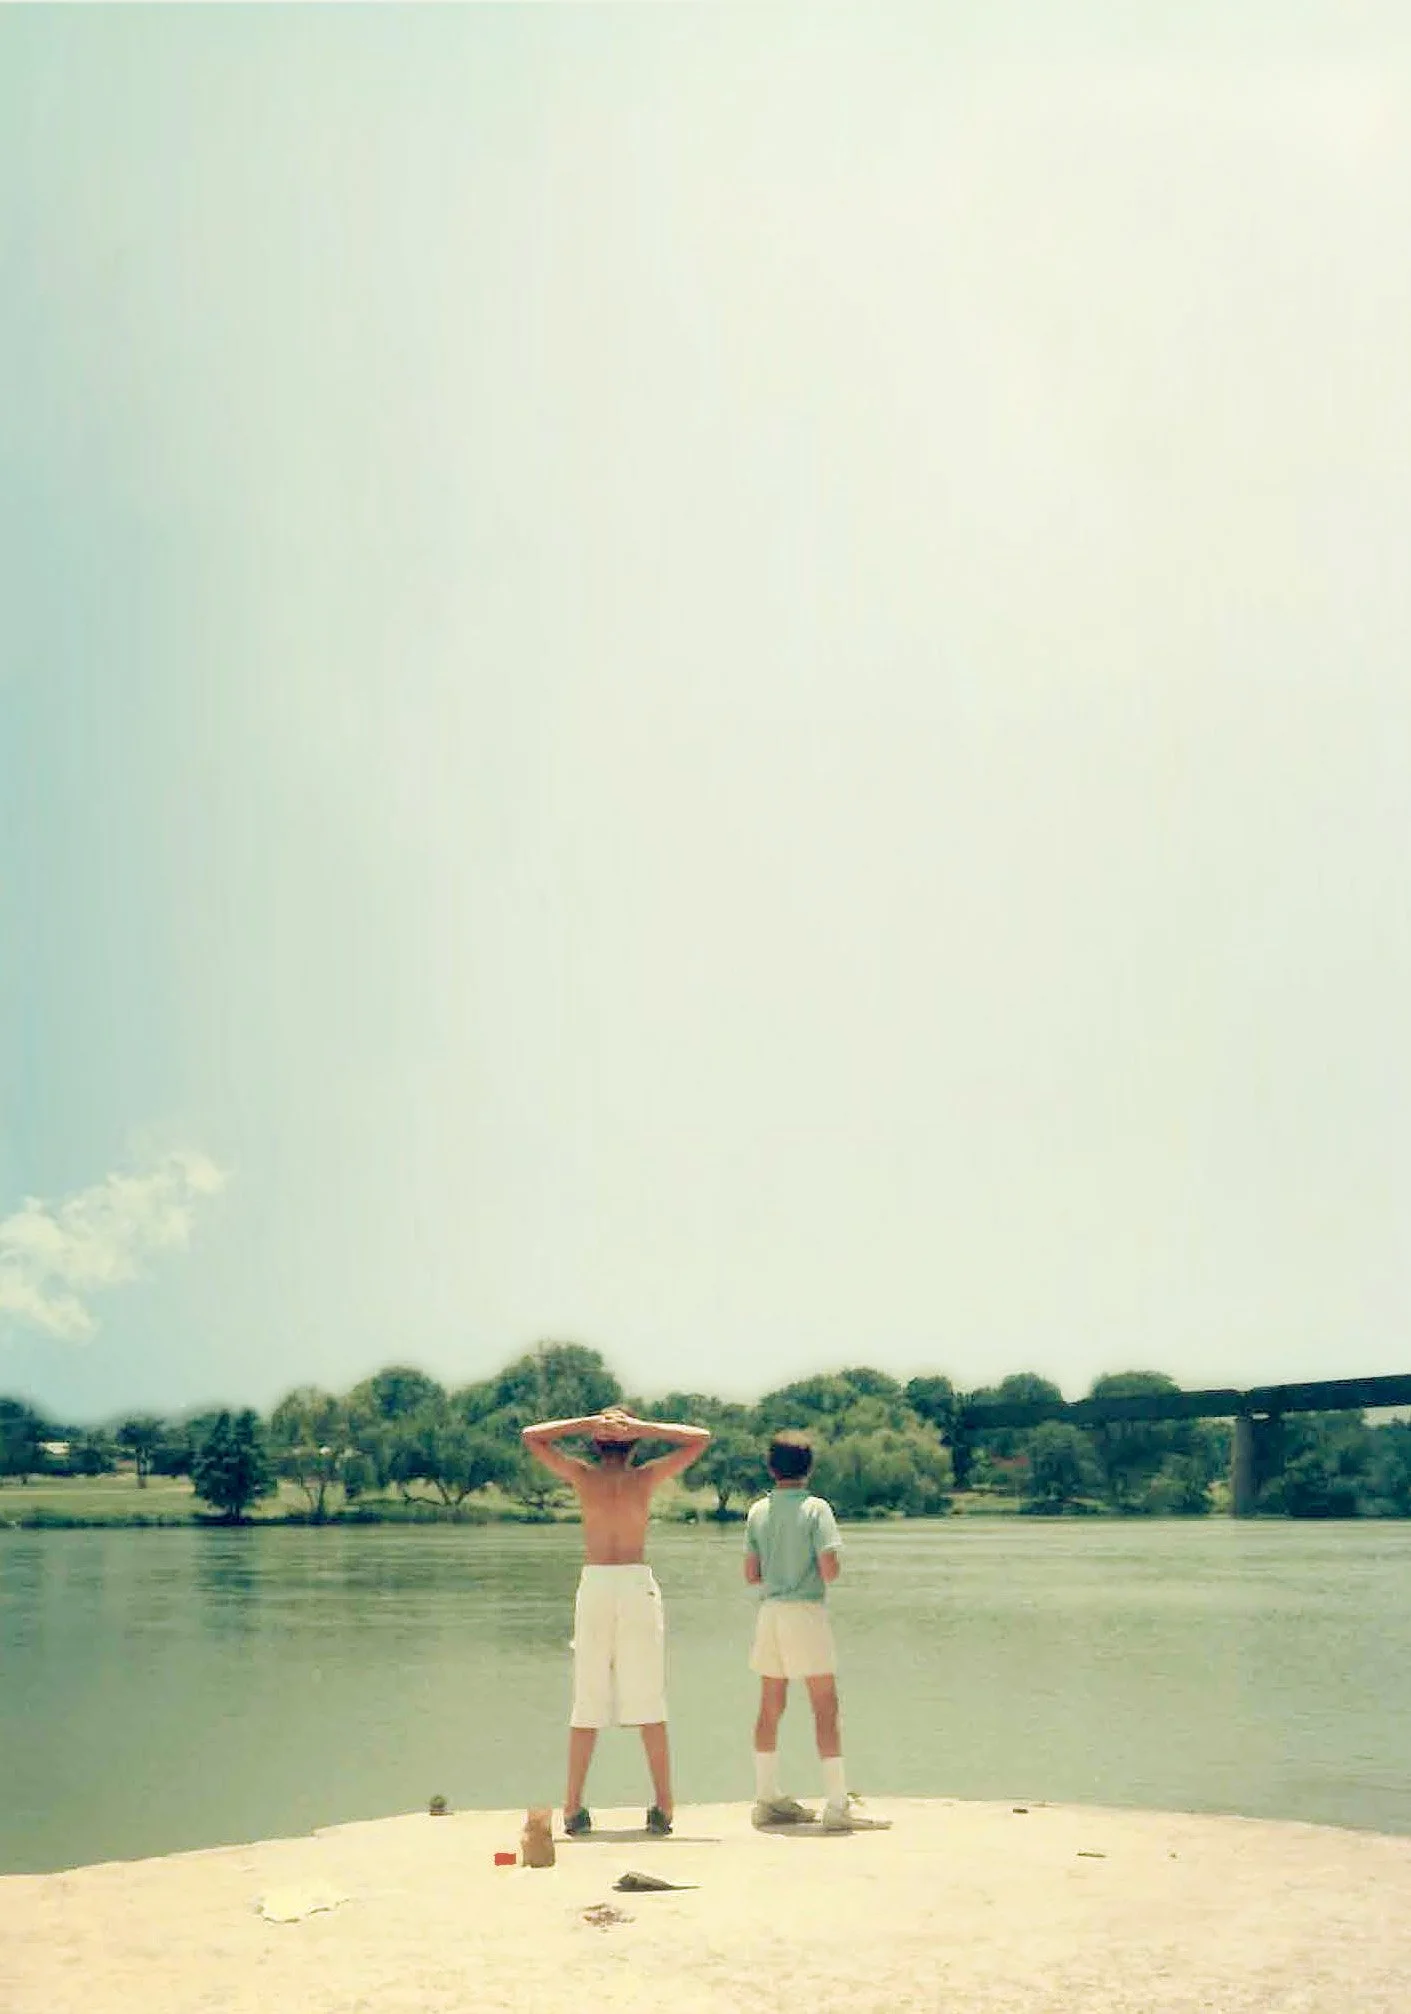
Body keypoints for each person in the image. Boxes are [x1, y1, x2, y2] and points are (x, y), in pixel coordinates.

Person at [521, 1402, 711, 1837]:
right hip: (632, 1584)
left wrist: (590, 1424)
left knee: (589, 1695)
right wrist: (640, 1427)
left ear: (595, 1444)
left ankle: (573, 1807)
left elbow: (533, 1436)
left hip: (597, 1585)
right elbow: (699, 1439)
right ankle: (663, 1805)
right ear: (632, 1445)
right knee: (647, 1695)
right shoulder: (643, 1477)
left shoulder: (584, 1476)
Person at [744, 1429, 891, 1832]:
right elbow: (829, 1569)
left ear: (771, 1468)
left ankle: (767, 1798)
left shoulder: (757, 1512)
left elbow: (751, 1574)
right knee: (825, 1707)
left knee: (770, 1707)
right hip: (805, 1611)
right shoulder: (817, 1509)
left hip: (770, 1613)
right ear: (809, 1468)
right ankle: (837, 1804)